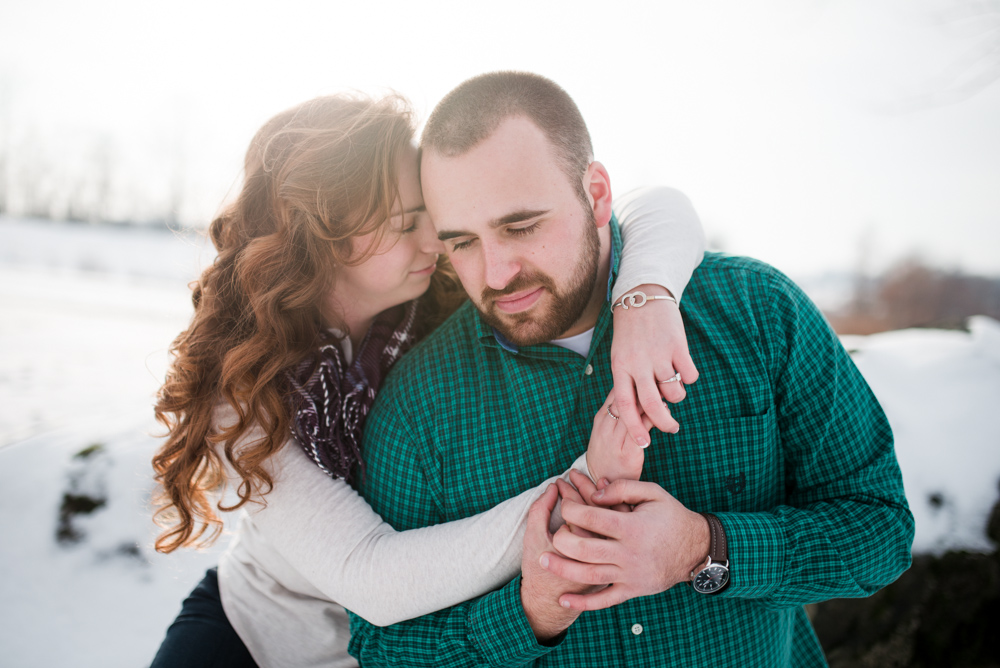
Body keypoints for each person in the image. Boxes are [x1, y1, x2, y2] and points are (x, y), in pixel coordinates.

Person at [348, 71, 915, 667]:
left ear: (595, 194)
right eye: (462, 242)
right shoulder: (417, 405)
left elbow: (878, 530)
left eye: (521, 227)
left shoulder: (757, 311)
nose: (494, 274)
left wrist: (705, 547)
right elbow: (381, 649)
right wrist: (529, 614)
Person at [149, 92, 706, 667]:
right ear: (324, 240)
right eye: (407, 223)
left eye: (435, 220)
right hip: (258, 636)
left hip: (415, 646)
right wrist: (585, 485)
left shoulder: (441, 295)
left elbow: (656, 206)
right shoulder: (248, 387)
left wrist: (646, 297)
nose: (436, 241)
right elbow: (370, 575)